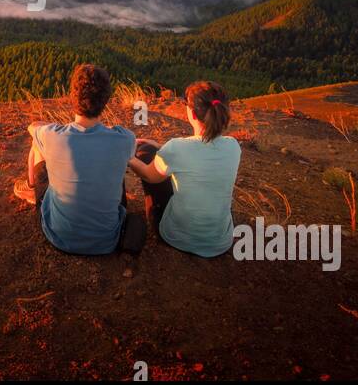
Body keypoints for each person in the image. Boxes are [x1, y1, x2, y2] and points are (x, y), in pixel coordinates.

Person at [14, 64, 145, 255]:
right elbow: (128, 150)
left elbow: (33, 127)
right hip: (106, 241)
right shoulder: (124, 139)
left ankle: (31, 188)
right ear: (106, 100)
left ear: (72, 97)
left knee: (37, 143)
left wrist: (49, 127)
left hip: (59, 236)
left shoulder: (52, 135)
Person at [126, 81, 240, 258]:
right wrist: (160, 146)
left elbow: (149, 175)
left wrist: (128, 157)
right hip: (220, 242)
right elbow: (198, 155)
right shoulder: (233, 146)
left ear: (192, 114)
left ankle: (156, 216)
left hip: (175, 237)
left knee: (147, 154)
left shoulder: (176, 148)